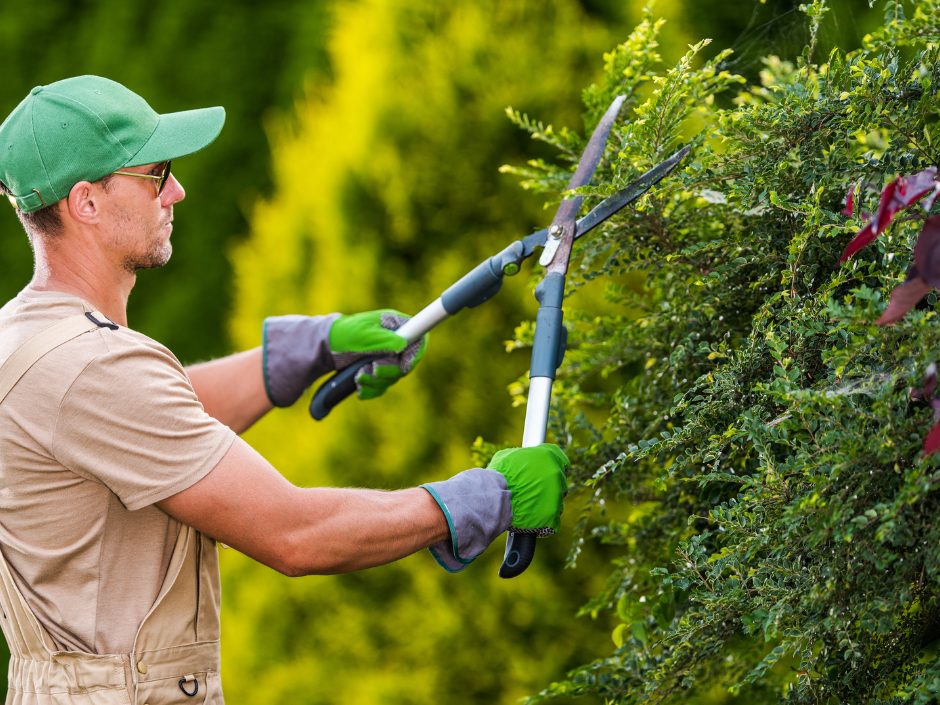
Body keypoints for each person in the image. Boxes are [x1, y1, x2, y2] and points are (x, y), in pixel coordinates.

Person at [0, 76, 568, 704]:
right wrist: (485, 498)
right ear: (86, 203)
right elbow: (296, 534)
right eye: (156, 174)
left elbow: (150, 421)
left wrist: (304, 351)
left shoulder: (29, 338)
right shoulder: (93, 368)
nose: (178, 192)